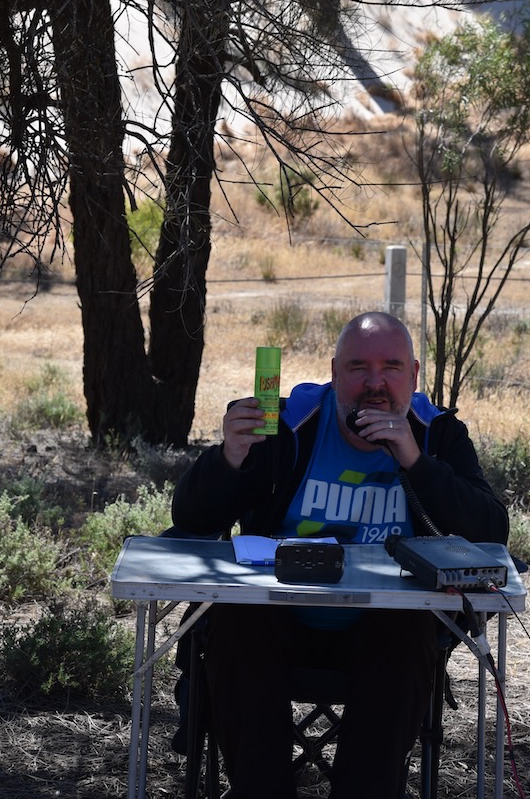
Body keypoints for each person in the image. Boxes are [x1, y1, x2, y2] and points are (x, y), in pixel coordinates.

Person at [170, 311, 509, 799]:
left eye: (391, 367)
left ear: (414, 376)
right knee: (234, 616)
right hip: (277, 619)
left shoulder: (436, 433)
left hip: (385, 631)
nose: (375, 384)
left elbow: (492, 532)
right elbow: (192, 518)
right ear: (333, 373)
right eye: (358, 368)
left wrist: (416, 461)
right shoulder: (287, 424)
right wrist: (228, 458)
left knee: (409, 627)